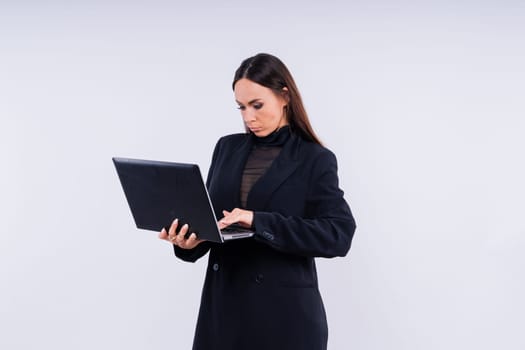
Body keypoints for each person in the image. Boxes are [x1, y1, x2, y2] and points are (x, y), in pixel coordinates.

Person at [158, 53, 356, 350]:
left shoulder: (314, 159)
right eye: (241, 107)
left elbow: (338, 235)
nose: (248, 117)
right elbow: (217, 223)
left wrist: (258, 220)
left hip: (282, 318)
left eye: (257, 105)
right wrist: (189, 243)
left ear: (284, 96)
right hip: (224, 311)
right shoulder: (227, 148)